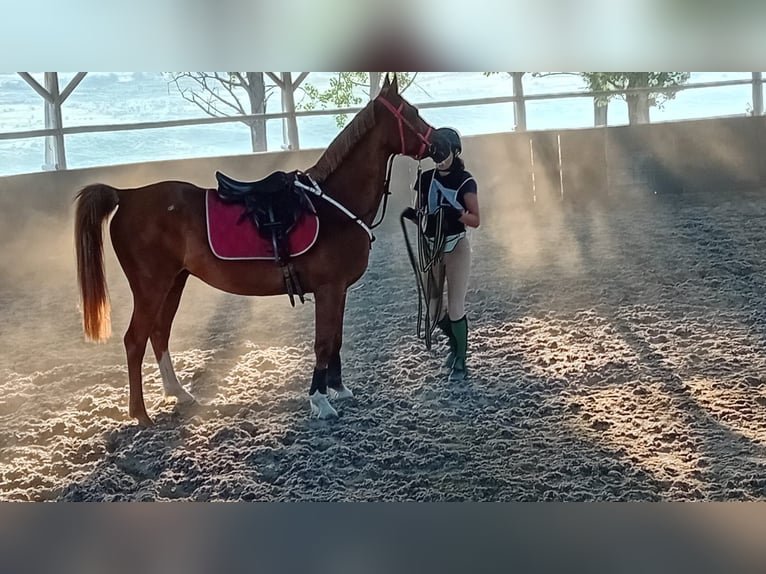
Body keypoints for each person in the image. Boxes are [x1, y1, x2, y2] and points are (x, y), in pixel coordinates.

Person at [409, 127, 480, 381]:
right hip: (431, 246)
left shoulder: (465, 180)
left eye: (444, 153)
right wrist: (417, 216)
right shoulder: (425, 178)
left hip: (455, 245)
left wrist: (456, 214)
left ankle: (461, 359)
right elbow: (420, 211)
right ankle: (456, 341)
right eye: (436, 154)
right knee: (433, 309)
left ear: (455, 151)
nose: (440, 159)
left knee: (455, 305)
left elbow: (475, 219)